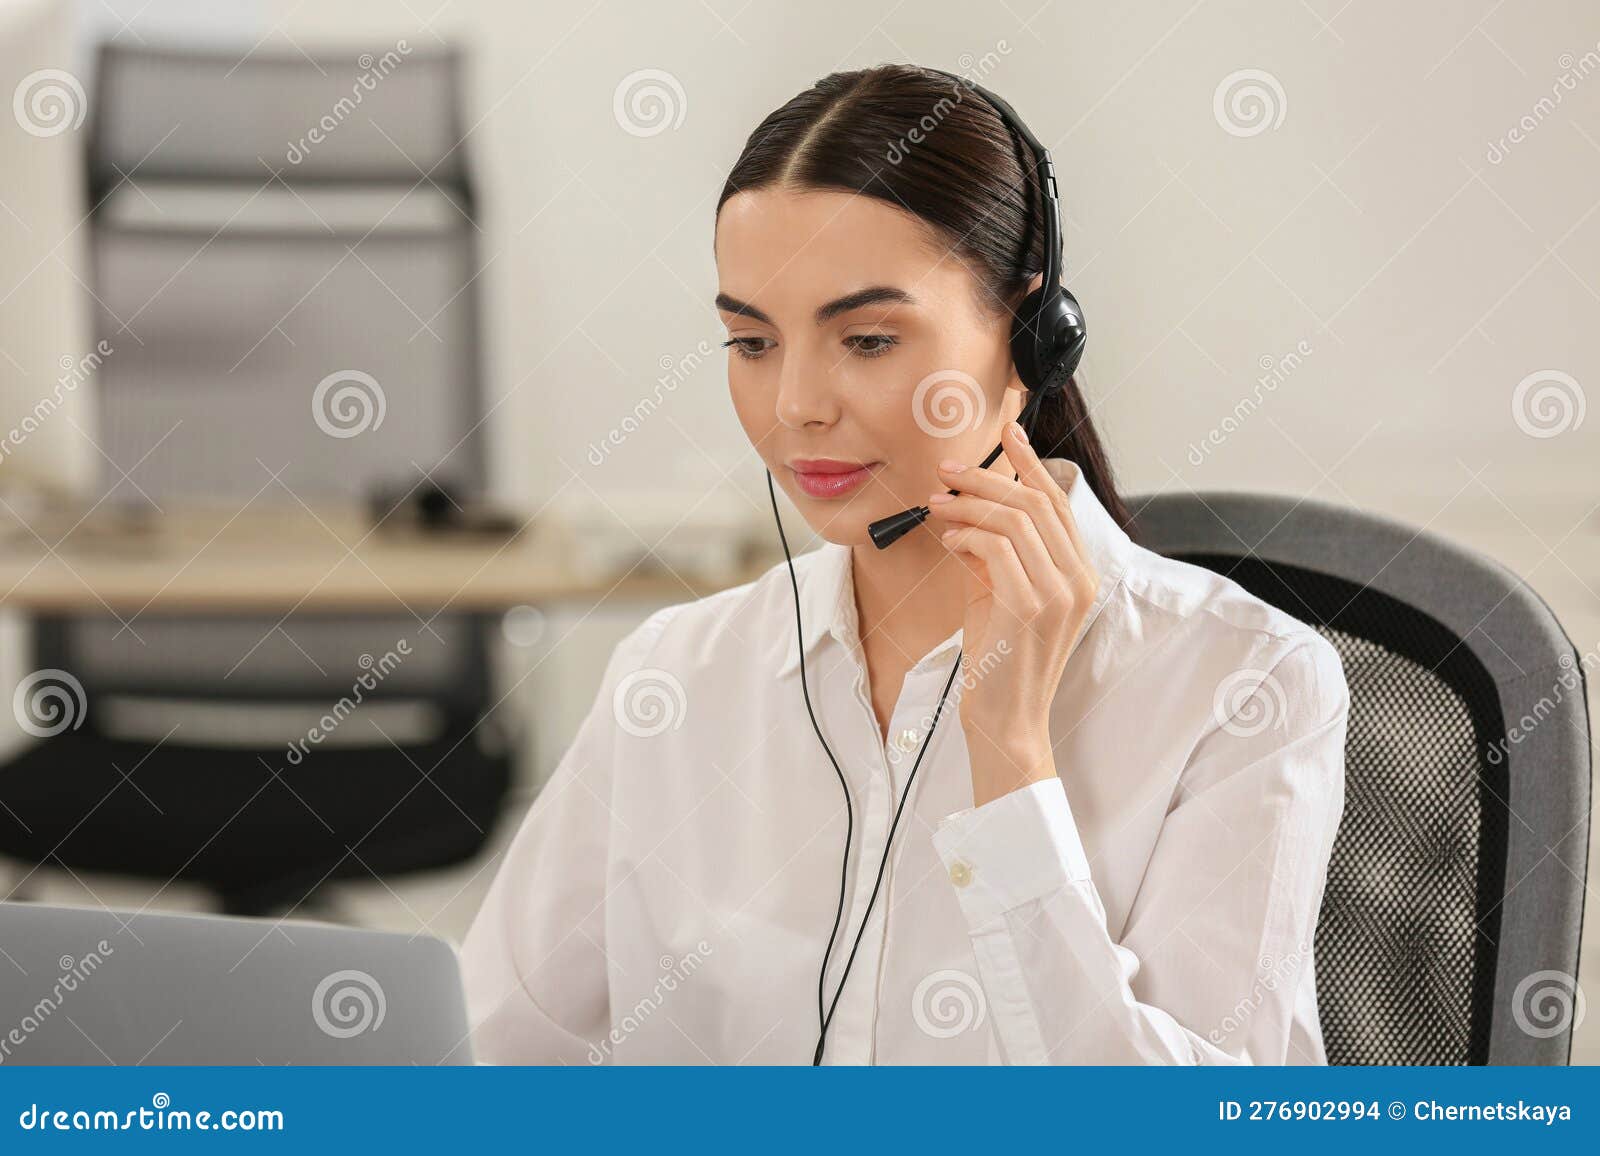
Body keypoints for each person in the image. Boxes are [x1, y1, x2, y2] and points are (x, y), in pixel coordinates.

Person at [460, 63, 1348, 1065]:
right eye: (750, 342)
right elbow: (484, 1054)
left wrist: (1011, 754)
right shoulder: (674, 676)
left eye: (868, 338)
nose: (794, 403)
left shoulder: (1243, 686)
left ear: (1030, 339)